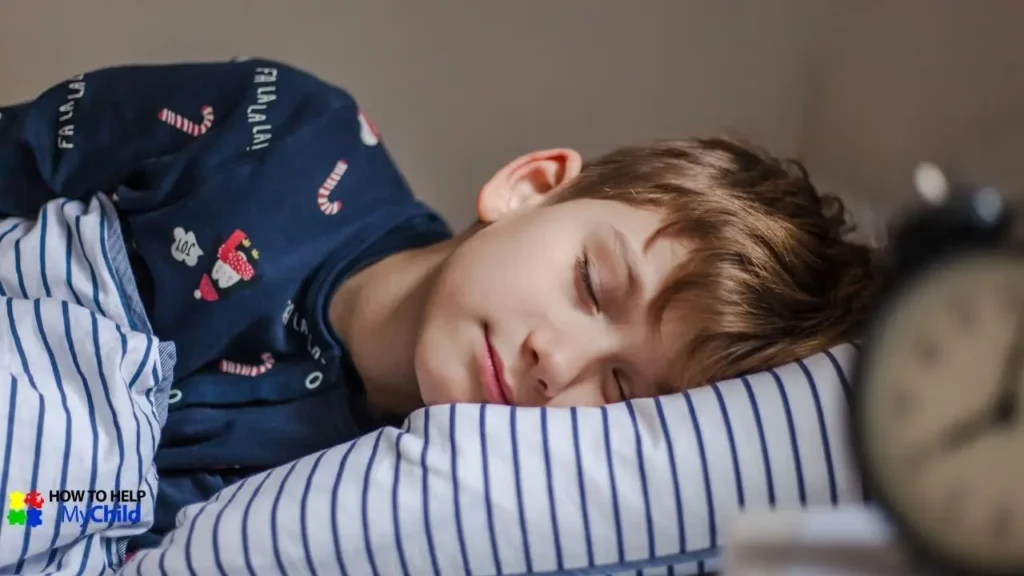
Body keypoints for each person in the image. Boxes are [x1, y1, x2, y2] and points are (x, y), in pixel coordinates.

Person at [0, 58, 880, 551]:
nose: (558, 364)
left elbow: (63, 524)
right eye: (591, 285)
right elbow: (28, 151)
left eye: (620, 390)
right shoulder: (294, 137)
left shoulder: (357, 505)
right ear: (530, 188)